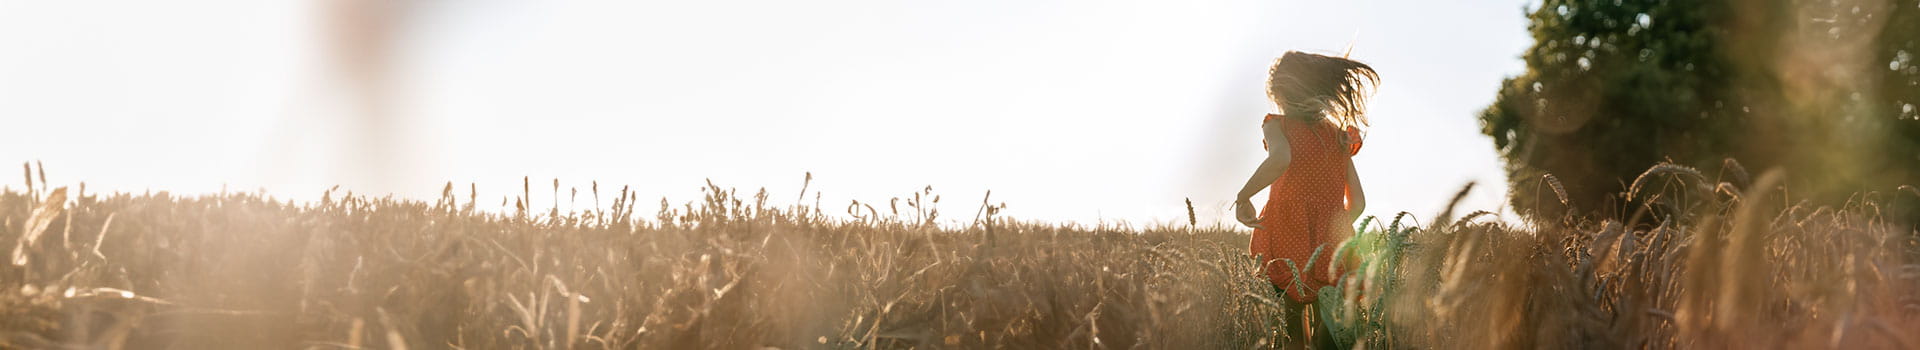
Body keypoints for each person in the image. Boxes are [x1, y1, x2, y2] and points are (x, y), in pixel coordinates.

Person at [1234, 50, 1376, 350]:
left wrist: (1243, 195)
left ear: (1280, 94)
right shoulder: (1339, 137)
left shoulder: (1277, 124)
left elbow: (1280, 159)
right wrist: (1330, 226)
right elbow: (1359, 202)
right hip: (1333, 242)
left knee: (1291, 323)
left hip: (1286, 234)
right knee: (1331, 321)